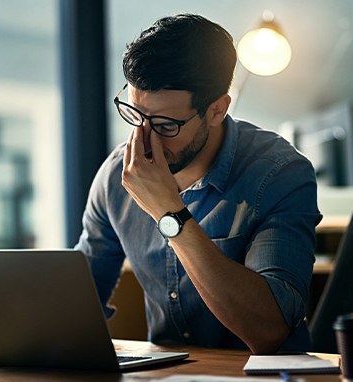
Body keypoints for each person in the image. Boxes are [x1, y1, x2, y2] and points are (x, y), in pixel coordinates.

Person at [75, 13, 322, 354]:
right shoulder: (118, 174)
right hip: (163, 376)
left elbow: (270, 330)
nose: (145, 140)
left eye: (165, 125)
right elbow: (78, 299)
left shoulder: (279, 174)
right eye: (136, 115)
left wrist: (168, 213)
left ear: (217, 110)